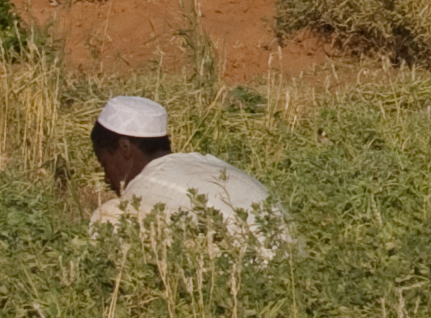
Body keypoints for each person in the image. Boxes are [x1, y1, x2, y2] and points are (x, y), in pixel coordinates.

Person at [86, 93, 291, 254]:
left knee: (108, 219)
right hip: (293, 262)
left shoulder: (146, 185)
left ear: (124, 149)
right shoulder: (207, 163)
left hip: (253, 273)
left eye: (105, 165)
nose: (106, 179)